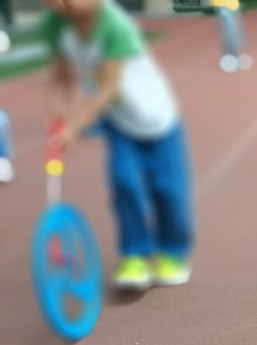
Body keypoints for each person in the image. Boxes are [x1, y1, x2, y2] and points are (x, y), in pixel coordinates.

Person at [42, 0, 194, 290]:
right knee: (125, 183)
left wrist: (75, 125)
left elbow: (108, 89)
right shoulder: (55, 24)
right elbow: (62, 76)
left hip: (157, 118)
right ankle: (135, 254)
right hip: (119, 122)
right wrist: (57, 118)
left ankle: (172, 253)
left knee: (168, 190)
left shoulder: (115, 25)